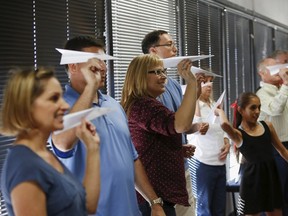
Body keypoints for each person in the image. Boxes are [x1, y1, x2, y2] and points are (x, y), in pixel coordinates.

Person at [50, 36, 165, 216]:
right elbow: (63, 144)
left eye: (103, 61)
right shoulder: (60, 108)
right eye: (95, 62)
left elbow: (132, 159)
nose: (103, 68)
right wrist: (90, 88)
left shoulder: (113, 104)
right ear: (73, 66)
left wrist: (154, 202)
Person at [0, 67, 101, 216]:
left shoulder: (43, 155)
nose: (65, 106)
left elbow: (87, 207)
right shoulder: (25, 165)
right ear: (26, 106)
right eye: (54, 98)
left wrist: (93, 148)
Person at [121, 54, 206, 216]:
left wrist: (175, 150)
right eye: (156, 72)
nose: (163, 77)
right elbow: (180, 124)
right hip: (152, 200)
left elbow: (148, 143)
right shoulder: (144, 105)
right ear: (140, 76)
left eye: (163, 71)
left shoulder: (146, 103)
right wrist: (191, 82)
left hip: (157, 197)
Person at [142, 30, 198, 216]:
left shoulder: (172, 84)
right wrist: (191, 83)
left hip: (181, 165)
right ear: (153, 51)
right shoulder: (144, 92)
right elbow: (173, 126)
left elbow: (182, 121)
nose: (175, 48)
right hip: (159, 173)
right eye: (169, 44)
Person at [214, 92, 288, 216]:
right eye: (253, 107)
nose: (257, 111)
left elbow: (283, 151)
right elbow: (224, 124)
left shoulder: (267, 126)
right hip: (251, 181)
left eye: (259, 107)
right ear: (241, 110)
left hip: (271, 177)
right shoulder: (238, 134)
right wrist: (220, 112)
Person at [188, 75, 230, 216]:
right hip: (203, 163)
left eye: (211, 81)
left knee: (219, 209)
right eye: (204, 82)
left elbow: (223, 129)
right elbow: (198, 127)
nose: (209, 85)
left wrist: (227, 142)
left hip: (219, 162)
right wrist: (195, 95)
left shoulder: (213, 104)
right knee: (204, 209)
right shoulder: (192, 105)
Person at [256, 57, 288, 216]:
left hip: (285, 147)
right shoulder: (261, 93)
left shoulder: (282, 89)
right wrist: (286, 85)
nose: (278, 71)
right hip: (274, 149)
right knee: (277, 195)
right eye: (273, 68)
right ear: (261, 73)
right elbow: (275, 109)